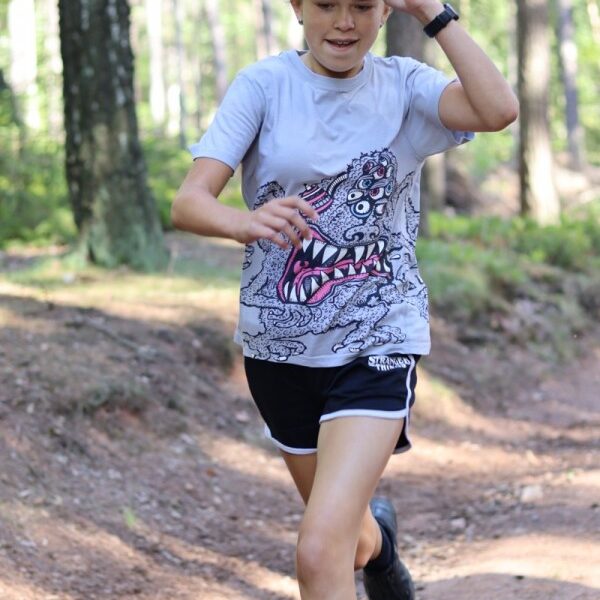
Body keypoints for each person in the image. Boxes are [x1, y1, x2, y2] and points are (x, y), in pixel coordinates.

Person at [172, 1, 518, 598]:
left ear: (385, 11)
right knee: (346, 540)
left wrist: (431, 12)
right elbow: (189, 202)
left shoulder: (405, 85)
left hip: (377, 339)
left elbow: (498, 110)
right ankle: (380, 547)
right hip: (279, 350)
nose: (344, 21)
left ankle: (370, 543)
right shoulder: (264, 85)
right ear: (297, 7)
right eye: (326, 4)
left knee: (317, 550)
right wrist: (243, 222)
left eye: (362, 4)